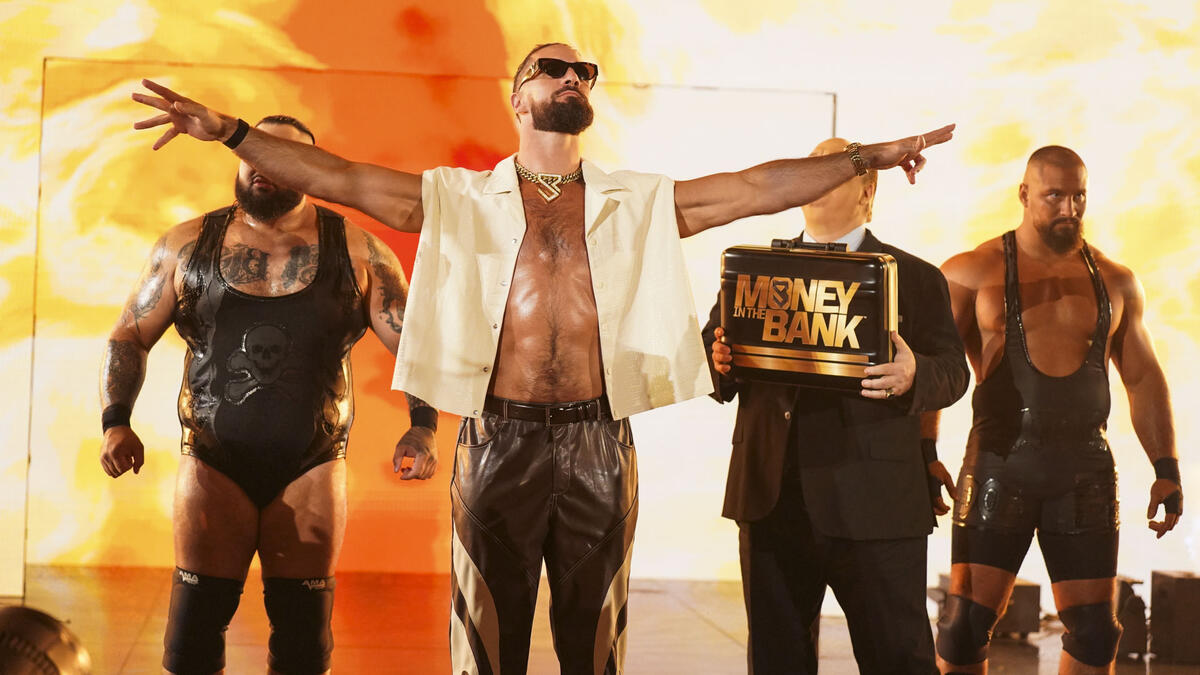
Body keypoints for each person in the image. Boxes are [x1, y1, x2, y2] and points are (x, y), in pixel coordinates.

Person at [129, 42, 955, 674]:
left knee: (593, 645)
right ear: (517, 97)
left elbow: (751, 187)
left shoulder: (635, 200)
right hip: (500, 437)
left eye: (583, 72)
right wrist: (230, 133)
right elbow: (338, 176)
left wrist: (864, 157)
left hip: (600, 439)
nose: (572, 79)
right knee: (487, 642)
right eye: (552, 69)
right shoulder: (456, 197)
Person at [98, 115, 440, 675]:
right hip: (211, 461)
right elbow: (129, 335)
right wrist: (115, 420)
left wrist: (423, 427)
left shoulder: (361, 252)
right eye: (253, 152)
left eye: (281, 155)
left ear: (311, 168)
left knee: (303, 646)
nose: (262, 165)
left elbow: (415, 346)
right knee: (190, 644)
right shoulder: (185, 246)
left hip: (313, 464)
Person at [705, 137, 968, 674]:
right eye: (811, 167)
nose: (817, 176)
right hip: (771, 501)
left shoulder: (916, 277)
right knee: (776, 662)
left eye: (836, 169)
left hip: (878, 508)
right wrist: (720, 361)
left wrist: (914, 374)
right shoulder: (754, 268)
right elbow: (714, 357)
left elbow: (954, 372)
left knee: (899, 660)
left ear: (868, 191)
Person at [930, 146, 1184, 674]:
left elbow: (1142, 378)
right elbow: (935, 369)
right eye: (1054, 196)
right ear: (1024, 195)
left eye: (1078, 197)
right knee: (964, 625)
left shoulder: (1115, 280)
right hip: (1000, 465)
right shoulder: (971, 271)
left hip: (1084, 471)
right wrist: (923, 452)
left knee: (1095, 632)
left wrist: (1167, 467)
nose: (1069, 209)